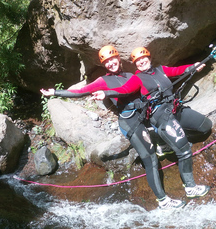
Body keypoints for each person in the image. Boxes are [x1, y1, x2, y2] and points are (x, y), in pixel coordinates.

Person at [41, 45, 185, 209]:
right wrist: (55, 92)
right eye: (106, 62)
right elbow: (81, 92)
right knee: (150, 158)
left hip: (142, 116)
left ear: (118, 59)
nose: (110, 63)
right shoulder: (103, 81)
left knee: (163, 123)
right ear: (104, 65)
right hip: (129, 121)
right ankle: (163, 201)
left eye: (112, 59)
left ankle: (162, 143)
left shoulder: (132, 75)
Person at [92, 47, 212, 201]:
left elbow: (177, 71)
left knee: (205, 125)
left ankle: (167, 140)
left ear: (149, 58)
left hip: (175, 108)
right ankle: (190, 187)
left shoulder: (160, 69)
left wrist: (192, 67)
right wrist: (106, 93)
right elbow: (125, 90)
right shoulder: (136, 77)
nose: (141, 62)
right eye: (137, 61)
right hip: (160, 115)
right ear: (135, 64)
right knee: (184, 149)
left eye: (143, 58)